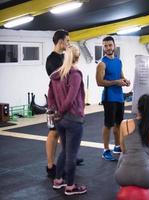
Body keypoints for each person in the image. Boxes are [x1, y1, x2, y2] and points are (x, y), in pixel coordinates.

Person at [48, 45, 87, 195]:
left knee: (65, 150)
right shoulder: (75, 74)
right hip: (72, 119)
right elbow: (70, 99)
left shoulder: (55, 75)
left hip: (60, 120)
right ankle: (70, 187)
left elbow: (50, 96)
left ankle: (58, 181)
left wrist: (55, 112)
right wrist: (62, 111)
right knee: (71, 154)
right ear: (77, 57)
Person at [45, 29, 83, 178]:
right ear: (61, 42)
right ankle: (50, 166)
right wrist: (56, 109)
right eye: (67, 41)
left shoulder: (63, 57)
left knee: (63, 134)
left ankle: (69, 157)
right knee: (53, 133)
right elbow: (55, 85)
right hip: (58, 106)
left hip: (64, 108)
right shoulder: (52, 60)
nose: (68, 44)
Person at [96, 36, 130, 161]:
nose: (108, 48)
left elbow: (121, 76)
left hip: (119, 97)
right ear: (103, 47)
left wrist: (126, 81)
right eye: (105, 46)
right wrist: (116, 82)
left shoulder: (118, 61)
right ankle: (105, 150)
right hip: (109, 97)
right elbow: (99, 82)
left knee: (118, 124)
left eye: (110, 45)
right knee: (108, 124)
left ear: (114, 46)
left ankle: (117, 146)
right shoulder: (102, 63)